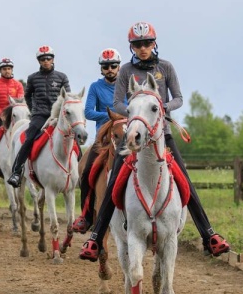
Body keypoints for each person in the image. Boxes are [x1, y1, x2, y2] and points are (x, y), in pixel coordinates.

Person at [80, 22, 230, 261]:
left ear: (154, 44)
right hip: (134, 135)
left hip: (163, 135)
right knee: (114, 181)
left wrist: (162, 107)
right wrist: (135, 111)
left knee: (185, 180)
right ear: (132, 47)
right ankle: (96, 237)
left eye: (147, 43)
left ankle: (208, 235)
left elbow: (179, 98)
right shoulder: (126, 71)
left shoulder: (166, 67)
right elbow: (118, 102)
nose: (143, 48)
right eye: (138, 45)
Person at [71, 48, 125, 233]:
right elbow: (88, 112)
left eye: (113, 66)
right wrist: (111, 117)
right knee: (86, 171)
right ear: (101, 69)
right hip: (103, 139)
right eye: (105, 66)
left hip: (125, 136)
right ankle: (85, 216)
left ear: (119, 67)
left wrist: (120, 119)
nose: (109, 69)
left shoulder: (127, 85)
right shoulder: (95, 87)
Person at [7, 45, 71, 188]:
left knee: (74, 135)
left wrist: (60, 114)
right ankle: (17, 172)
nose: (45, 61)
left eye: (48, 58)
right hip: (40, 116)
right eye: (42, 59)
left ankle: (76, 171)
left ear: (53, 59)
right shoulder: (33, 78)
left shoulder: (62, 77)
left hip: (58, 116)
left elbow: (67, 98)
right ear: (39, 61)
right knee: (29, 138)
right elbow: (27, 95)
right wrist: (34, 110)